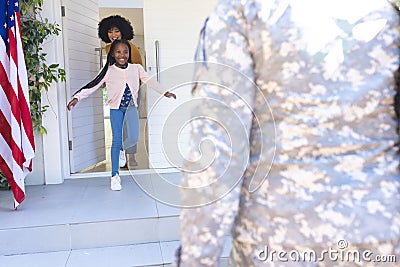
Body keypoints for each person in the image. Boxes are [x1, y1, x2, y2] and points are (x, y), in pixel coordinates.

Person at [177, 0, 400, 266]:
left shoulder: (243, 11)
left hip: (277, 241)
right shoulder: (384, 13)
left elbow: (216, 148)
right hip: (377, 234)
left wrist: (196, 259)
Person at [67, 39, 176, 191]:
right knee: (116, 140)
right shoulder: (109, 71)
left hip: (131, 108)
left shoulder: (136, 68)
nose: (122, 55)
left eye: (125, 52)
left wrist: (164, 91)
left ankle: (122, 150)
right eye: (118, 52)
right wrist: (77, 97)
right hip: (115, 109)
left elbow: (149, 80)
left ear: (129, 53)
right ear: (112, 54)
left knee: (133, 137)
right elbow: (93, 85)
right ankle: (115, 176)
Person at [98, 14, 143, 168]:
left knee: (131, 127)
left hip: (132, 91)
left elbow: (139, 72)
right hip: (116, 92)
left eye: (116, 31)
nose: (113, 35)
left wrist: (133, 91)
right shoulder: (108, 48)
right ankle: (122, 154)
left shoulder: (132, 48)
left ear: (123, 32)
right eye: (110, 32)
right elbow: (111, 70)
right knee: (120, 127)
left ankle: (131, 156)